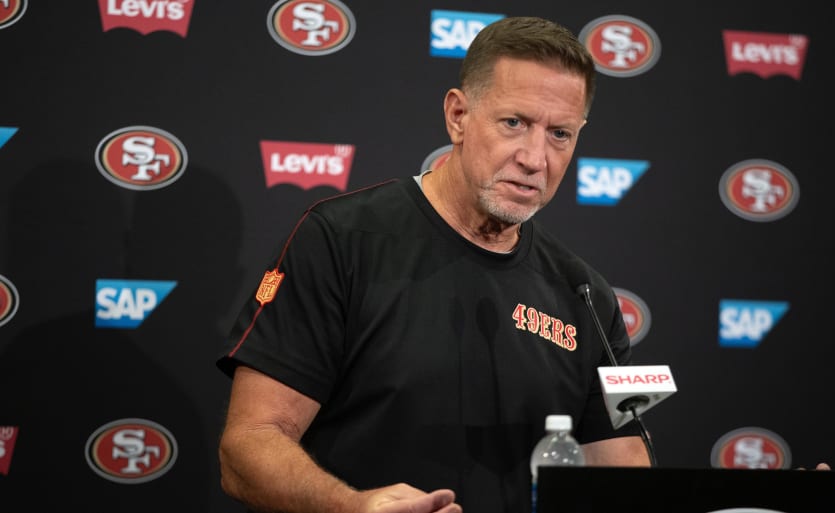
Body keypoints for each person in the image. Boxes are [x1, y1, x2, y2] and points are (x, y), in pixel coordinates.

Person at [216, 16, 651, 513]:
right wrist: (356, 507)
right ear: (458, 116)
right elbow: (248, 444)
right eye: (515, 123)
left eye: (560, 134)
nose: (536, 158)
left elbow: (621, 470)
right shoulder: (341, 239)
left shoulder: (582, 293)